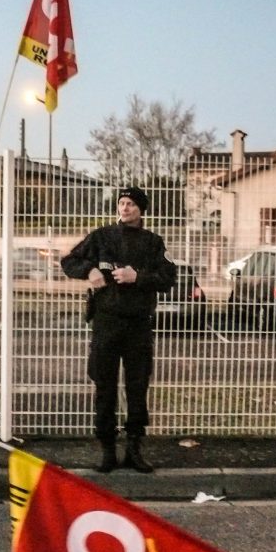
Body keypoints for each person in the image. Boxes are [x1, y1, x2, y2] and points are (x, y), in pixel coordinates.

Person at [60, 186, 176, 473]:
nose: (125, 208)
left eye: (131, 204)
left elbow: (168, 277)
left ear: (141, 209)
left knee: (137, 388)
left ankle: (134, 449)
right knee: (105, 387)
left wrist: (138, 277)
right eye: (122, 203)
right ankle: (107, 450)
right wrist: (90, 271)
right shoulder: (101, 237)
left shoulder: (152, 243)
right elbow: (69, 260)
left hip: (138, 325)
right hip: (106, 323)